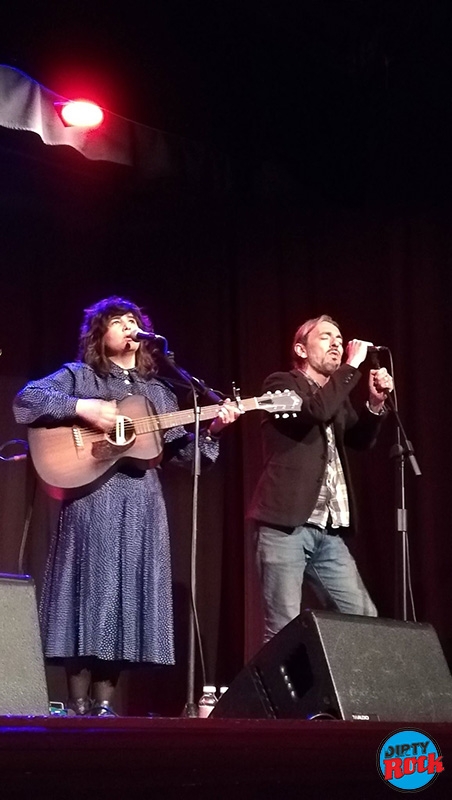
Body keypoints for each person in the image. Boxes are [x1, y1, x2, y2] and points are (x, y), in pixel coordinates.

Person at [13, 295, 241, 716]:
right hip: (92, 499)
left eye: (134, 321)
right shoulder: (80, 376)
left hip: (140, 504)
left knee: (123, 599)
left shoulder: (158, 392)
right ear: (100, 333)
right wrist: (86, 409)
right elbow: (28, 400)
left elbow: (182, 456)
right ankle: (76, 704)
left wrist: (212, 430)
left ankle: (104, 707)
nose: (129, 327)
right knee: (89, 594)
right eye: (119, 321)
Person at [248, 314, 393, 644]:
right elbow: (313, 412)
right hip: (284, 524)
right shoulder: (280, 383)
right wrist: (352, 367)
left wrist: (374, 403)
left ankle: (352, 693)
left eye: (340, 340)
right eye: (327, 337)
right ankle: (279, 697)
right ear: (301, 349)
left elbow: (359, 440)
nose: (338, 344)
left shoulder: (333, 395)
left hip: (328, 530)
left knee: (362, 616)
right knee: (283, 629)